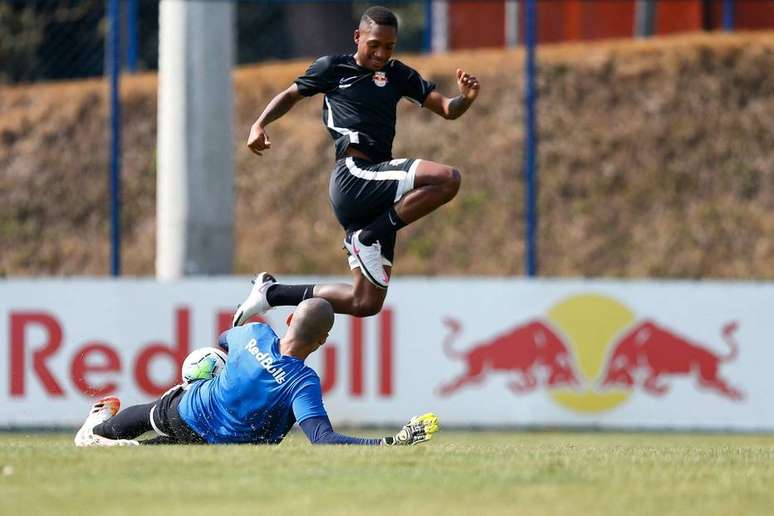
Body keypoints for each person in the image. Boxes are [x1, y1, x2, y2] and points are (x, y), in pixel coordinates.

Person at [233, 5, 480, 325]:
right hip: (355, 174)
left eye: (388, 46)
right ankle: (368, 236)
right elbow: (291, 95)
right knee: (447, 179)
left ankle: (273, 293)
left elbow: (447, 109)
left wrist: (467, 100)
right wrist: (259, 124)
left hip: (376, 192)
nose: (380, 53)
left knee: (365, 302)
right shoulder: (333, 68)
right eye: (373, 44)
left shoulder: (398, 74)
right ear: (357, 37)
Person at [74, 298, 439, 447]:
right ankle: (100, 434)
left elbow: (223, 340)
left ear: (291, 318)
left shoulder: (256, 332)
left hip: (188, 411)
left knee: (160, 410)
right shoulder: (303, 382)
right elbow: (323, 439)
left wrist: (228, 363)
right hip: (218, 444)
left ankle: (98, 431)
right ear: (324, 340)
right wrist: (389, 442)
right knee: (165, 447)